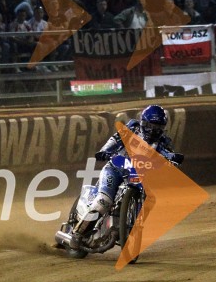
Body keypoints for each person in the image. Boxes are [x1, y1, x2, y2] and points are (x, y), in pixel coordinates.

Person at [68, 105, 183, 247]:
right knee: (104, 201)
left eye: (158, 126)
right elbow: (116, 139)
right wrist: (105, 151)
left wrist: (173, 160)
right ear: (143, 123)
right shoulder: (132, 128)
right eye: (151, 125)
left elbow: (168, 154)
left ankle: (127, 224)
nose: (154, 130)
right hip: (115, 169)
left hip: (140, 175)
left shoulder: (163, 141)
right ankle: (77, 234)